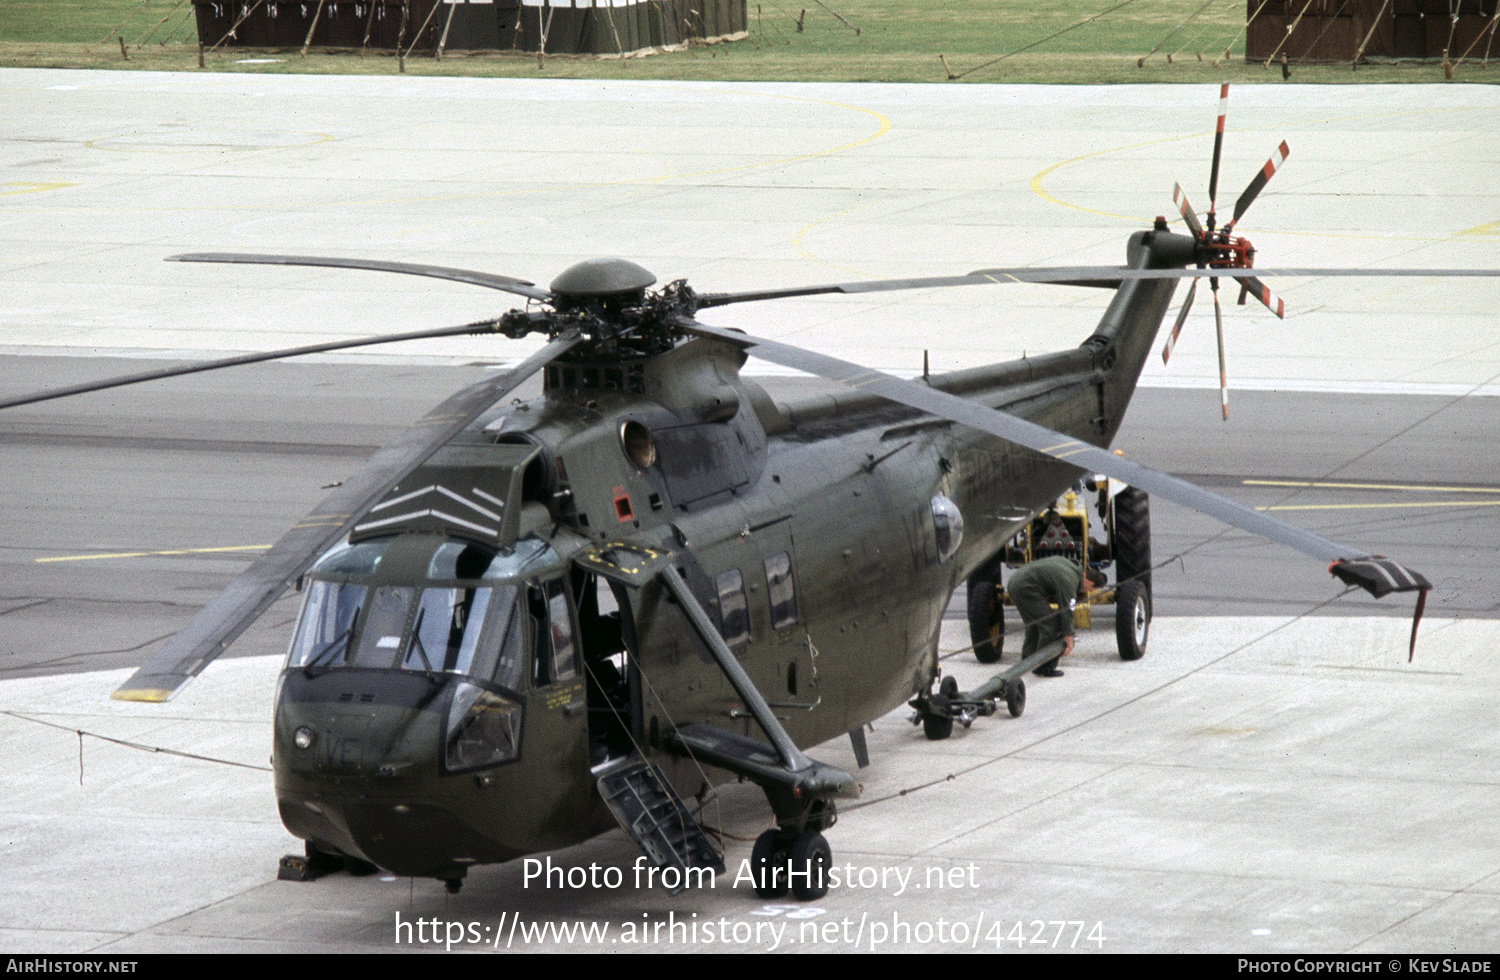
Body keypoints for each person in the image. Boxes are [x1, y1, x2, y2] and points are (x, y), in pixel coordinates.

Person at [1006, 556, 1106, 678]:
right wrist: (1069, 635)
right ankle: (1043, 666)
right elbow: (1067, 610)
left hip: (1016, 582)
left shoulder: (1070, 566)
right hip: (1026, 588)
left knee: (1034, 624)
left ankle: (1027, 660)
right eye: (1092, 589)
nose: (1088, 591)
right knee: (1051, 625)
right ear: (1090, 582)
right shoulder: (1070, 581)